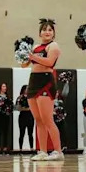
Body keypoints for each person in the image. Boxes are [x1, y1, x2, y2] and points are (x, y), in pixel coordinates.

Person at [23, 19, 63, 161]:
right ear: (40, 33)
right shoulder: (36, 47)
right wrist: (22, 53)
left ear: (53, 33)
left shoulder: (54, 46)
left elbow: (49, 63)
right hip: (33, 81)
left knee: (47, 119)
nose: (47, 32)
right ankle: (43, 151)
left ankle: (58, 151)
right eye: (44, 29)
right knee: (38, 120)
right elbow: (24, 64)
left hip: (46, 81)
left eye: (50, 30)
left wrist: (32, 56)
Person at [0, 83, 13, 155]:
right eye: (3, 86)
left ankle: (5, 148)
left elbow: (11, 105)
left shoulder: (8, 97)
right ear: (0, 87)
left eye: (5, 86)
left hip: (6, 116)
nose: (5, 88)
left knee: (6, 131)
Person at [15, 85, 34, 151]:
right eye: (26, 89)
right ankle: (20, 148)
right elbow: (17, 108)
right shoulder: (20, 98)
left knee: (30, 133)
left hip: (30, 116)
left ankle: (31, 148)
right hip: (22, 117)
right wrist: (27, 109)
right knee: (22, 133)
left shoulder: (31, 98)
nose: (27, 90)